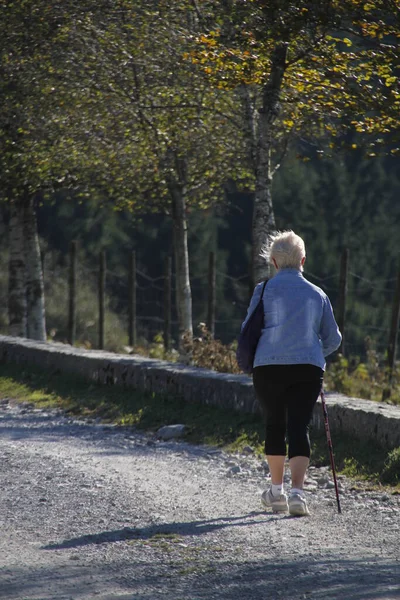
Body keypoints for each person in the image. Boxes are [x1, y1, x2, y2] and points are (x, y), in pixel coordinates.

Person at [241, 230, 342, 516]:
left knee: (274, 423)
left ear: (273, 262)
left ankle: (277, 492)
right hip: (307, 368)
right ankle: (298, 495)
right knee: (300, 426)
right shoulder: (317, 294)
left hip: (268, 367)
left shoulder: (263, 291)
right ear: (303, 260)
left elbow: (248, 329)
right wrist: (312, 351)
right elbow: (333, 338)